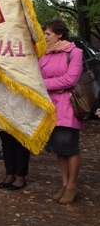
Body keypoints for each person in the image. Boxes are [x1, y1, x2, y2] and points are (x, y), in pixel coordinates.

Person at [39, 19, 84, 204]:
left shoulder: (75, 52)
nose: (45, 37)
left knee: (70, 148)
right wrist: (49, 86)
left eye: (48, 34)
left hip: (68, 107)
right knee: (59, 148)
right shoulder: (44, 54)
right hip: (50, 108)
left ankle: (72, 186)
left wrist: (45, 85)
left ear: (59, 34)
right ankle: (65, 184)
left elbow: (70, 79)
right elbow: (37, 76)